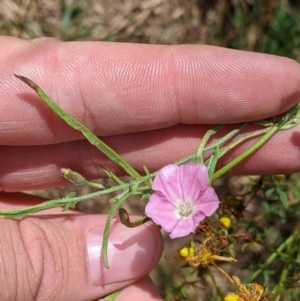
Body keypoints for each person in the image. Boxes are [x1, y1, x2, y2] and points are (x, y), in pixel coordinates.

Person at [0, 36, 300, 301]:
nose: (185, 209)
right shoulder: (186, 193)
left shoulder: (196, 195)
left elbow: (185, 194)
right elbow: (174, 197)